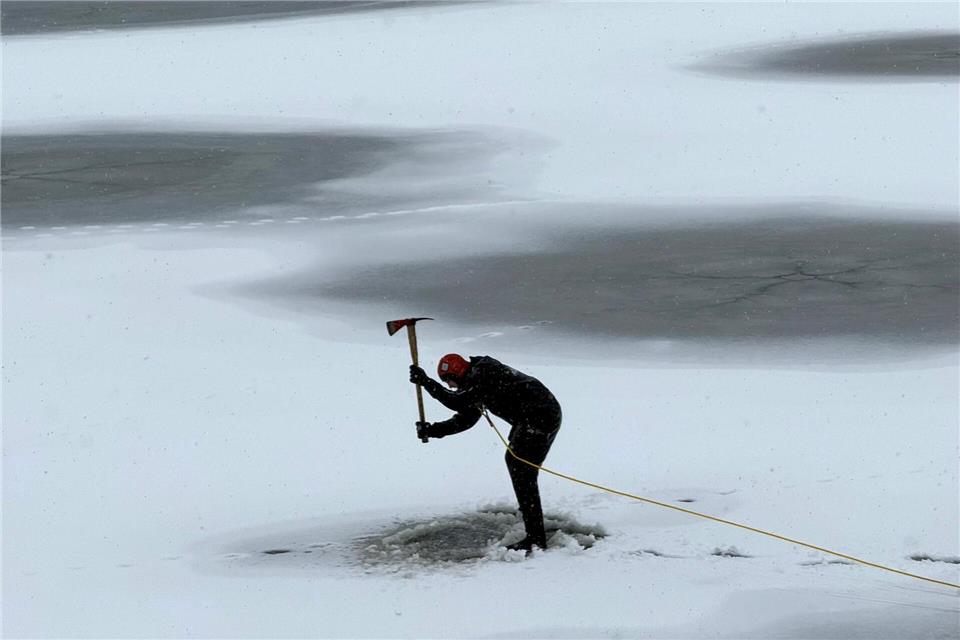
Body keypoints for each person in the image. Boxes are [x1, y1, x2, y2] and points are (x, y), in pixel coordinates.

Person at [409, 354, 562, 553]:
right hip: (537, 417)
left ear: (458, 371)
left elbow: (458, 402)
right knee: (522, 470)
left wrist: (426, 383)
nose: (452, 386)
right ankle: (529, 514)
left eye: (449, 381)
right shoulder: (475, 385)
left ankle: (535, 537)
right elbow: (465, 419)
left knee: (520, 469)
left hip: (540, 415)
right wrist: (433, 430)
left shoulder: (484, 372)